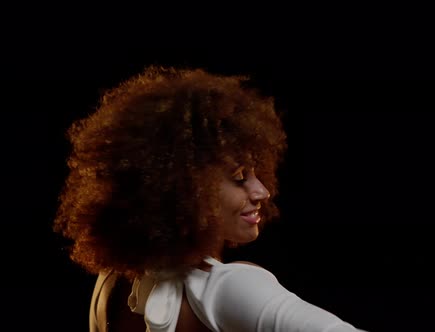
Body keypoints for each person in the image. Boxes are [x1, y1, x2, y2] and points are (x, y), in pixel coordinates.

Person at [53, 66, 367, 332]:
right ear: (182, 188)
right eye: (240, 177)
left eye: (258, 174)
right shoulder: (227, 288)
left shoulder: (110, 285)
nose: (262, 192)